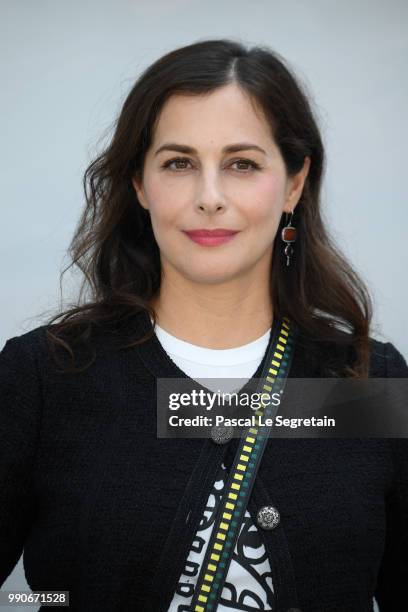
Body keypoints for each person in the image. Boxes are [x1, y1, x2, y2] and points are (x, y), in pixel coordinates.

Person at [0, 38, 407, 612]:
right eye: (179, 163)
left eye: (242, 164)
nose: (209, 197)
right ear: (139, 183)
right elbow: (34, 596)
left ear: (294, 183)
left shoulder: (371, 383)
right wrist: (51, 600)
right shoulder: (46, 377)